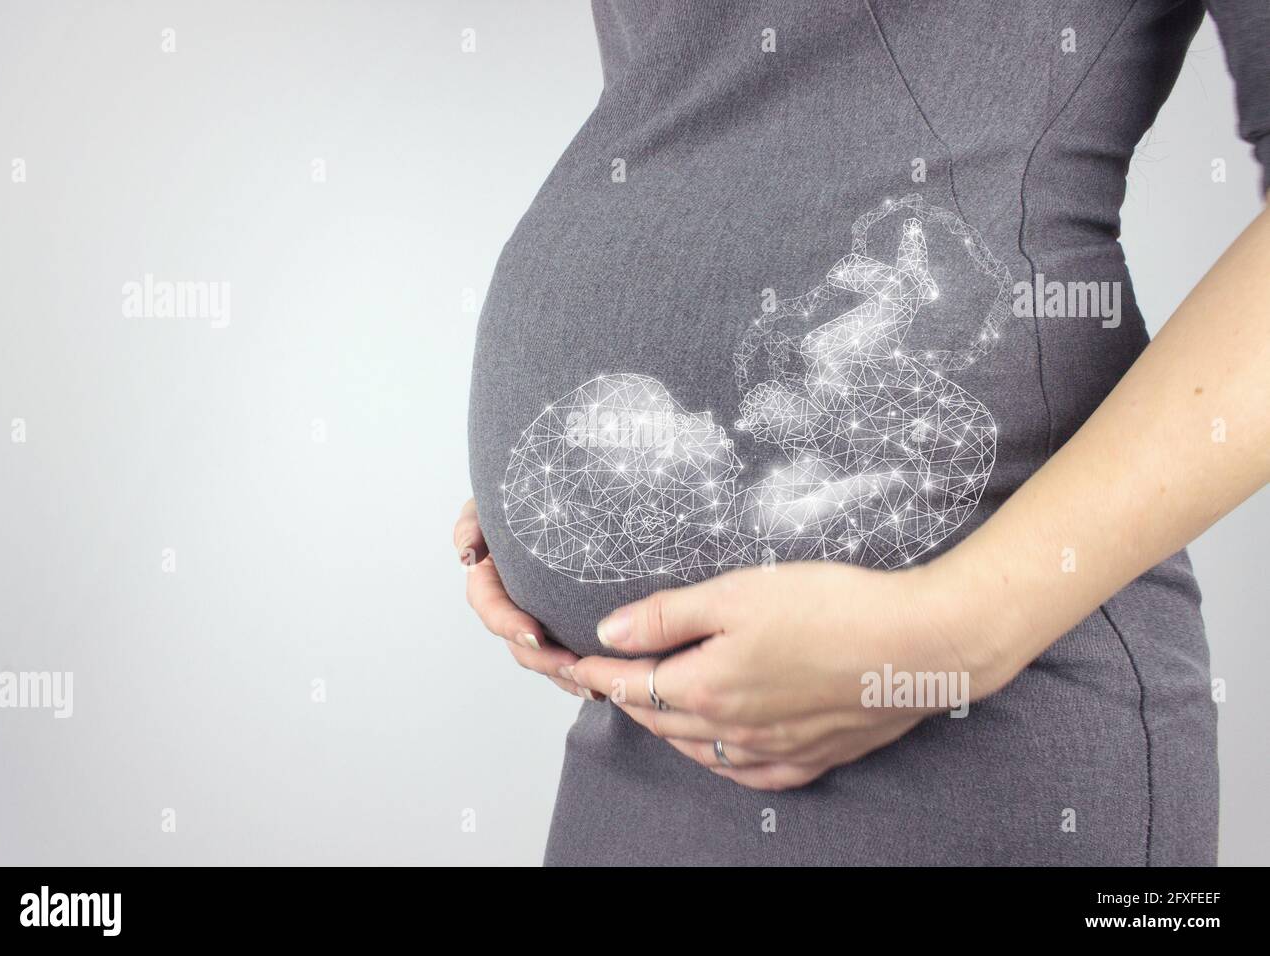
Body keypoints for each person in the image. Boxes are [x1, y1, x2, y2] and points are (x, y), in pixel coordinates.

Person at [459, 0, 1270, 865]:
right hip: (649, 737)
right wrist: (589, 481)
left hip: (979, 720)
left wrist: (950, 638)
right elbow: (720, 110)